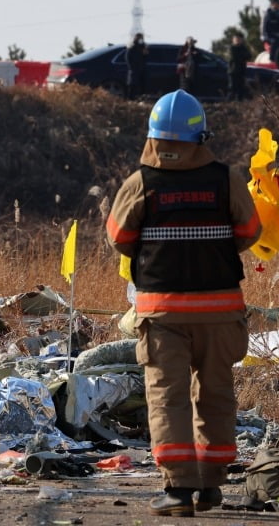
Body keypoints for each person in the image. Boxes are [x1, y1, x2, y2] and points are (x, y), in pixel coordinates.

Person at [105, 90, 260, 517]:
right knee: (214, 394)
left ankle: (177, 490)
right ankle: (211, 486)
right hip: (220, 313)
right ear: (201, 134)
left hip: (163, 314)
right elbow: (250, 230)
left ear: (153, 137)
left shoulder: (141, 183)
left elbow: (118, 237)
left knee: (167, 397)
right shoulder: (224, 178)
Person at [228, 33, 251, 101]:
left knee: (241, 89)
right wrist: (242, 56)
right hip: (233, 71)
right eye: (236, 39)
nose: (237, 40)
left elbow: (248, 56)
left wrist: (242, 56)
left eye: (239, 39)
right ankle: (229, 103)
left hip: (242, 71)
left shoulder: (243, 48)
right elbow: (235, 57)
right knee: (232, 89)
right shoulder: (232, 48)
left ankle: (239, 103)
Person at [126, 33, 148, 99]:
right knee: (133, 85)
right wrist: (131, 67)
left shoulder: (143, 46)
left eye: (141, 38)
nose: (140, 39)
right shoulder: (132, 46)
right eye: (139, 38)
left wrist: (145, 53)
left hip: (142, 69)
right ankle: (131, 98)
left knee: (142, 85)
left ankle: (140, 97)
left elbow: (146, 57)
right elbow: (128, 58)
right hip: (134, 69)